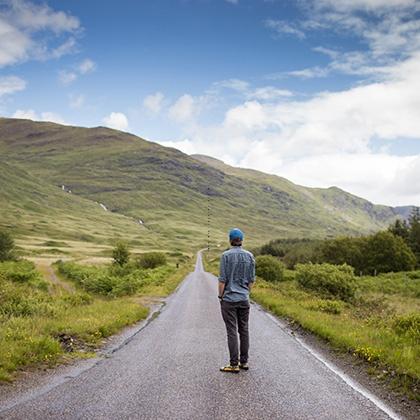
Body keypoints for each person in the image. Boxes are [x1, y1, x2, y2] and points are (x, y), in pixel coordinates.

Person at [218, 228, 255, 373]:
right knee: (244, 330)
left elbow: (222, 280)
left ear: (230, 240)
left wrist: (220, 296)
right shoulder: (250, 256)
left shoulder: (225, 256)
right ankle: (244, 362)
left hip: (229, 299)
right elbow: (251, 280)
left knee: (232, 330)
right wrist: (245, 292)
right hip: (244, 298)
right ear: (242, 240)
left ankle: (233, 364)